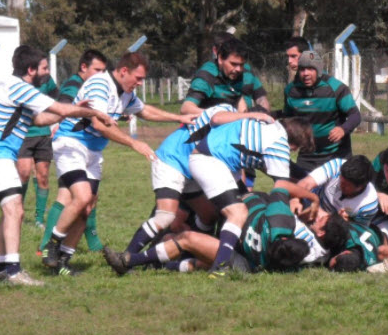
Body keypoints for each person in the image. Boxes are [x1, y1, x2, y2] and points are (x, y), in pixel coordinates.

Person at [0, 46, 114, 286]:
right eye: (44, 68)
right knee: (15, 210)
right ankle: (14, 272)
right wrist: (88, 111)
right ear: (30, 70)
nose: (47, 73)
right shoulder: (19, 87)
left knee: (11, 211)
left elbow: (40, 118)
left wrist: (68, 113)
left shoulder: (14, 87)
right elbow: (59, 107)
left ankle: (0, 268)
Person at [42, 51, 192, 275]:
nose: (140, 84)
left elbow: (144, 110)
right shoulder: (100, 85)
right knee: (81, 197)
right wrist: (134, 144)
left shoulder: (126, 93)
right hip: (71, 144)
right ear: (124, 71)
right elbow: (100, 125)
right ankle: (50, 247)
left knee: (87, 207)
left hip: (93, 151)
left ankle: (63, 261)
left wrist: (178, 118)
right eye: (138, 78)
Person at [105, 103, 257, 267]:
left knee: (208, 214)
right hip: (172, 161)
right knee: (165, 216)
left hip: (194, 171)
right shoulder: (225, 111)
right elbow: (213, 118)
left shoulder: (237, 136)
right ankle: (126, 259)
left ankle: (191, 251)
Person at [105, 187, 348, 276]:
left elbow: (279, 189)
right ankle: (157, 264)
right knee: (188, 251)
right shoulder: (315, 256)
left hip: (239, 254)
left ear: (322, 231)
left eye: (322, 218)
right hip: (247, 262)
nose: (319, 214)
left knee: (185, 238)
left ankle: (131, 261)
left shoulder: (283, 220)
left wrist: (308, 198)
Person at [186, 115, 314, 273]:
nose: (294, 151)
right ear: (294, 142)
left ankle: (192, 253)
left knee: (229, 208)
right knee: (237, 213)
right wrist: (311, 197)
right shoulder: (279, 146)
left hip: (216, 160)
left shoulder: (270, 125)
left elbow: (217, 121)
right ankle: (221, 264)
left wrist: (308, 177)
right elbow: (282, 185)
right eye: (297, 147)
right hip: (210, 162)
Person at [39, 49, 109, 255]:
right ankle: (48, 244)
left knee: (75, 196)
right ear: (83, 67)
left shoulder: (91, 85)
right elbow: (66, 108)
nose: (100, 75)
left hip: (77, 145)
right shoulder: (74, 84)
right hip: (69, 146)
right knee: (69, 196)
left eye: (104, 71)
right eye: (97, 70)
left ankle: (52, 244)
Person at [282, 50, 362, 172]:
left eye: (310, 69)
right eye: (302, 69)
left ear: (318, 70)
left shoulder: (336, 88)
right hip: (307, 157)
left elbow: (355, 115)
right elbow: (288, 120)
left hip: (335, 155)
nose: (305, 73)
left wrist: (343, 129)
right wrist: (291, 139)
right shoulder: (291, 91)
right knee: (302, 189)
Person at [180, 34, 271, 115]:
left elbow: (257, 100)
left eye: (241, 64)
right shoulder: (207, 75)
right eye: (233, 64)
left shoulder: (244, 72)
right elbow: (186, 108)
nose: (238, 69)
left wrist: (261, 112)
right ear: (220, 58)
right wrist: (219, 115)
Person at [16, 69, 59, 230]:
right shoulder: (20, 81)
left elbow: (58, 101)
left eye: (48, 67)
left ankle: (39, 218)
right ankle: (18, 212)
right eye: (43, 66)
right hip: (24, 135)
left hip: (43, 134)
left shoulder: (47, 81)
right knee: (24, 173)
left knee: (43, 176)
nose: (47, 70)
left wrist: (56, 124)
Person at [296, 155, 379, 227]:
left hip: (326, 227)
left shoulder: (368, 205)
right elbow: (305, 183)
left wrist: (343, 224)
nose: (340, 184)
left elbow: (358, 232)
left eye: (346, 185)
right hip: (308, 204)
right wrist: (295, 200)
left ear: (360, 187)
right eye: (341, 179)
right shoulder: (337, 166)